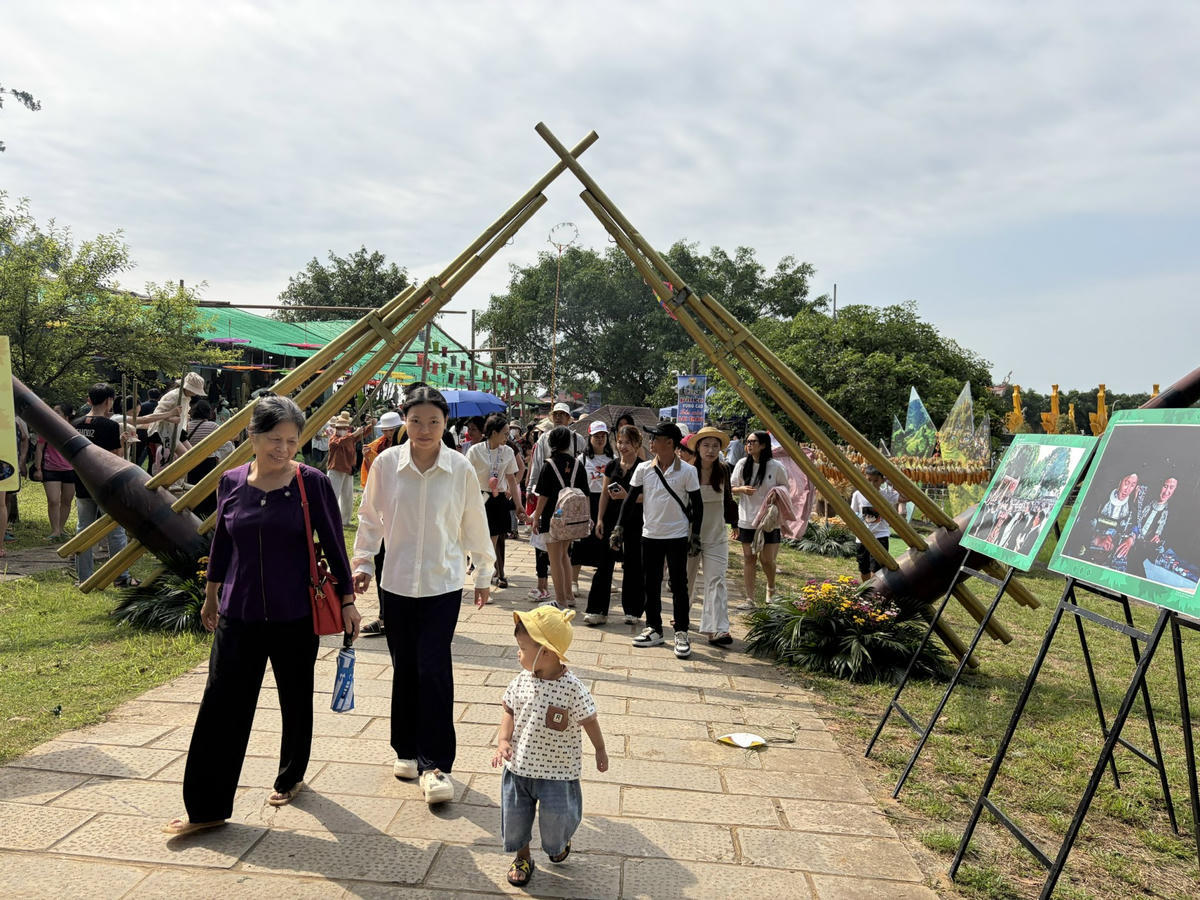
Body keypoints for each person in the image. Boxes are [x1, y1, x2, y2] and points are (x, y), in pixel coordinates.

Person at [163, 396, 358, 836]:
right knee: (221, 707)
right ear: (252, 437)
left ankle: (290, 775)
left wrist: (346, 599)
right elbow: (222, 546)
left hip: (295, 615)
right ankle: (206, 807)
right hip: (239, 612)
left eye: (292, 440)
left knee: (295, 697)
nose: (283, 449)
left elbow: (333, 543)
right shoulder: (231, 482)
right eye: (274, 439)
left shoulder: (312, 483)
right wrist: (211, 596)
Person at [351, 385, 495, 805]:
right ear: (405, 421)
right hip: (394, 582)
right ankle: (406, 750)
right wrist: (362, 563)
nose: (425, 429)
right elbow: (370, 517)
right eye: (416, 421)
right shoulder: (385, 464)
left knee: (433, 668)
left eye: (434, 421)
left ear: (445, 423)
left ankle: (436, 765)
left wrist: (483, 572)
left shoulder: (460, 468)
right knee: (405, 667)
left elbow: (473, 520)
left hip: (442, 584)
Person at [492, 606, 607, 888]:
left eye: (522, 648)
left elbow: (589, 720)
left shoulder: (572, 688)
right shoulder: (520, 682)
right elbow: (509, 711)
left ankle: (559, 843)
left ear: (546, 651)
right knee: (516, 819)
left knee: (557, 821)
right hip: (519, 768)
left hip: (558, 771)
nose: (517, 654)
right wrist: (504, 740)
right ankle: (522, 856)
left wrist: (600, 750)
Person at [629, 422, 702, 659]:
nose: (650, 442)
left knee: (679, 585)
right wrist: (620, 528)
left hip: (677, 535)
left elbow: (698, 506)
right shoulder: (643, 469)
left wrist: (696, 535)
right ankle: (654, 629)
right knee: (651, 582)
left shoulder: (688, 472)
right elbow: (630, 500)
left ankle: (681, 631)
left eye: (655, 438)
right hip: (650, 534)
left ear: (669, 443)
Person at [72, 385, 137, 587]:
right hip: (106, 485)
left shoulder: (76, 424)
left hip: (82, 482)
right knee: (115, 531)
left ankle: (84, 577)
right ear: (109, 400)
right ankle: (121, 576)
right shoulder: (109, 426)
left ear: (88, 400)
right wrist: (123, 444)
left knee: (84, 530)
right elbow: (114, 458)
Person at [528, 404, 587, 603]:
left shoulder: (549, 465)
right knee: (565, 556)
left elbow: (542, 496)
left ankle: (561, 599)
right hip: (571, 517)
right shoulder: (579, 464)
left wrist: (535, 518)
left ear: (551, 442)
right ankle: (569, 596)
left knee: (554, 559)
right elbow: (585, 494)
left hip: (552, 517)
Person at [686, 426, 737, 645]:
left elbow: (728, 499)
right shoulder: (687, 471)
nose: (710, 450)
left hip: (717, 535)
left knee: (716, 580)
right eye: (706, 445)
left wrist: (735, 524)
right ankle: (682, 617)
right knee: (685, 580)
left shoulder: (724, 470)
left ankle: (717, 629)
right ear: (697, 447)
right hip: (690, 535)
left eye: (715, 446)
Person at [592, 425, 645, 626]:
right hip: (612, 519)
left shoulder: (644, 467)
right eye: (620, 442)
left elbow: (649, 496)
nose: (623, 446)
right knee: (605, 563)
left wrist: (628, 497)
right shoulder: (611, 466)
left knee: (633, 565)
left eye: (628, 443)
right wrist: (599, 519)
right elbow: (604, 494)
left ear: (637, 444)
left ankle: (633, 610)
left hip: (635, 520)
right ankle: (598, 609)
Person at [731, 431, 789, 609]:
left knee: (767, 559)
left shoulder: (775, 466)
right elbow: (731, 487)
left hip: (768, 520)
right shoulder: (742, 464)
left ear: (763, 445)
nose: (749, 445)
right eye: (747, 442)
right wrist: (742, 489)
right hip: (747, 519)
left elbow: (785, 487)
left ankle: (770, 588)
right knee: (749, 558)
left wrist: (776, 495)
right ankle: (749, 599)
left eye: (753, 442)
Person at [358, 410, 403, 636]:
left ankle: (393, 616)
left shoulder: (407, 447)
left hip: (402, 520)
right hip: (381, 514)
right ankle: (385, 616)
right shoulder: (377, 445)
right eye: (385, 430)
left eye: (391, 430)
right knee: (382, 565)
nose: (388, 434)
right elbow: (373, 479)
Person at [466, 413, 522, 590]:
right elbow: (466, 477)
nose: (508, 437)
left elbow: (511, 479)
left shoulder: (508, 451)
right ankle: (482, 574)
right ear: (493, 432)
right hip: (479, 498)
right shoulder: (475, 451)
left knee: (493, 540)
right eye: (505, 433)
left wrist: (519, 505)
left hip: (499, 499)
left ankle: (488, 577)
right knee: (480, 539)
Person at [573, 421, 613, 611]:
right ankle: (574, 581)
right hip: (586, 501)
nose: (600, 439)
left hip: (606, 502)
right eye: (596, 436)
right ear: (589, 438)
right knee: (581, 543)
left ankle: (603, 578)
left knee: (603, 544)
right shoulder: (581, 459)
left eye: (603, 436)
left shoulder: (612, 459)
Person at [849, 465, 905, 582]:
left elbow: (906, 497)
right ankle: (867, 591)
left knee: (877, 569)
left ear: (882, 480)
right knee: (864, 569)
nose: (872, 484)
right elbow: (853, 514)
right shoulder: (858, 495)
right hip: (863, 537)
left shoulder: (887, 494)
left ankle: (873, 595)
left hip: (880, 535)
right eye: (869, 480)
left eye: (876, 481)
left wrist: (893, 484)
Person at [146, 373, 207, 475]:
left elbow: (183, 413)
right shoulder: (174, 396)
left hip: (178, 430)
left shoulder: (186, 397)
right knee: (182, 457)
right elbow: (157, 414)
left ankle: (179, 481)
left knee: (192, 456)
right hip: (164, 431)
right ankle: (172, 480)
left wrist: (185, 419)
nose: (195, 393)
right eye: (194, 390)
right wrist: (171, 418)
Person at [34, 402, 77, 541]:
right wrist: (38, 469)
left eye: (57, 411)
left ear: (66, 415)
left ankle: (61, 528)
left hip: (70, 469)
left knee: (67, 500)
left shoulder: (75, 429)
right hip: (50, 468)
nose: (53, 413)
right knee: (53, 500)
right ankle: (55, 531)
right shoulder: (46, 428)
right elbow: (39, 448)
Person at [326, 411, 374, 526]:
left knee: (347, 497)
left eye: (344, 428)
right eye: (340, 428)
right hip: (336, 469)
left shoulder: (349, 438)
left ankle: (344, 521)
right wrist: (353, 434)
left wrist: (371, 425)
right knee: (333, 495)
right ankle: (330, 519)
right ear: (336, 428)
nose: (342, 430)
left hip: (348, 469)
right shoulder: (334, 438)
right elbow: (339, 443)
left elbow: (362, 433)